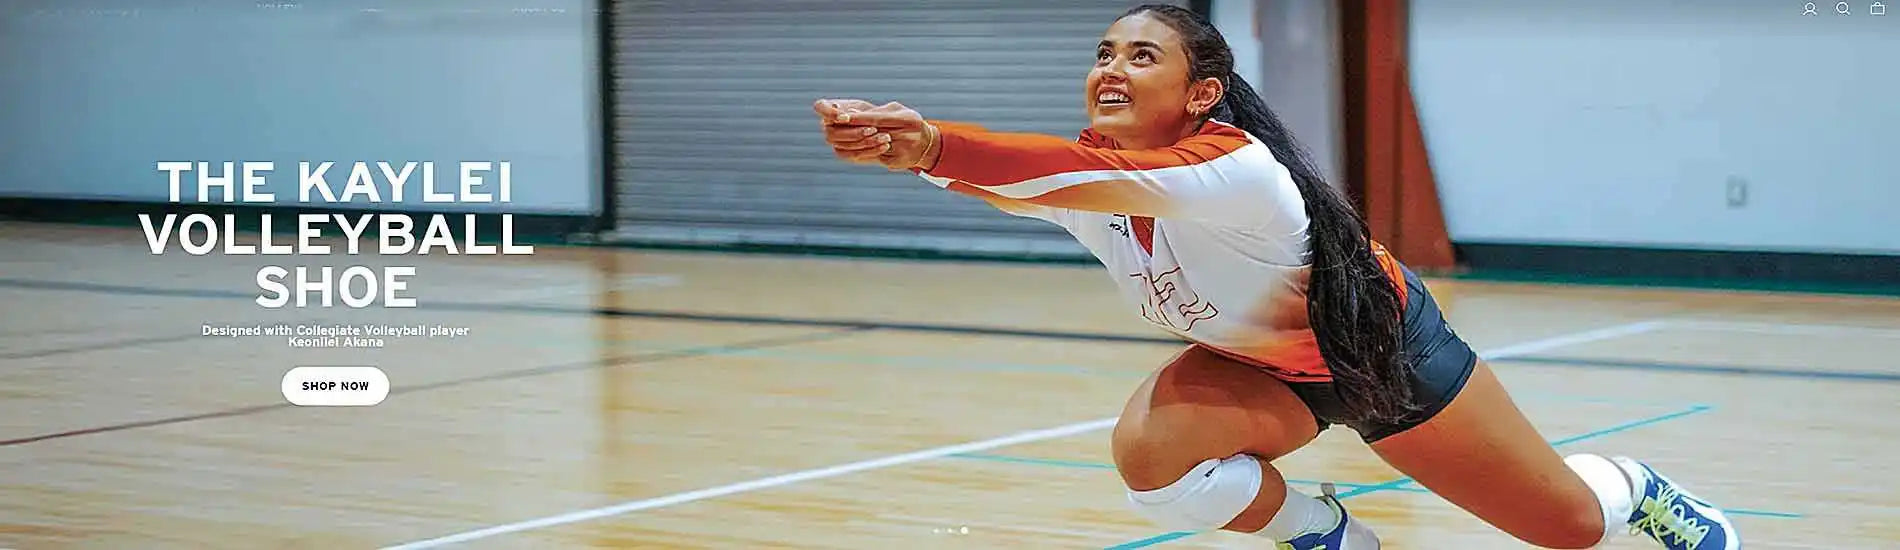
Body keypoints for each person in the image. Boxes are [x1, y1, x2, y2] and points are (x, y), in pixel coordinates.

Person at [810, 4, 1737, 549]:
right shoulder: (1090, 178)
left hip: (1387, 356)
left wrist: (932, 141)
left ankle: (1639, 488)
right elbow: (1026, 184)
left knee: (1566, 529)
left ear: (1200, 92)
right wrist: (916, 155)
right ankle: (1329, 535)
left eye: (1142, 56)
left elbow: (1048, 172)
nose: (1111, 69)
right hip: (1265, 369)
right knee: (1149, 459)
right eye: (1102, 53)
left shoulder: (1237, 165)